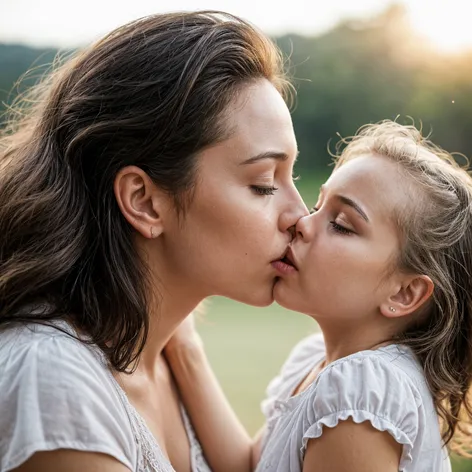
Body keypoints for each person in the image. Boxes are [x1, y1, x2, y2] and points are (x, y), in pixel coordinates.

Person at [0, 11, 308, 472]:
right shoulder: (53, 378)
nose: (300, 216)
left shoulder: (165, 356)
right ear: (144, 201)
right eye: (264, 182)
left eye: (292, 175)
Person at [167, 120, 472, 471]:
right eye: (318, 205)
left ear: (405, 293)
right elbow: (250, 465)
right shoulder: (320, 361)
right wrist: (183, 347)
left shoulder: (361, 393)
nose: (302, 222)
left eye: (341, 224)